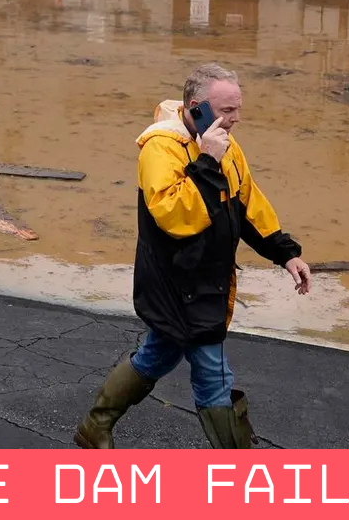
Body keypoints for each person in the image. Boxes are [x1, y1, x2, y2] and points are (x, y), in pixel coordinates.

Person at [74, 63, 311, 450]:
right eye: (226, 110)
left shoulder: (223, 143)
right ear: (196, 107)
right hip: (177, 284)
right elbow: (175, 216)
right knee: (214, 375)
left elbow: (248, 203)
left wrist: (285, 253)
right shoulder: (161, 148)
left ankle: (94, 426)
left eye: (237, 109)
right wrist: (207, 161)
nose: (235, 120)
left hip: (207, 280)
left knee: (156, 356)